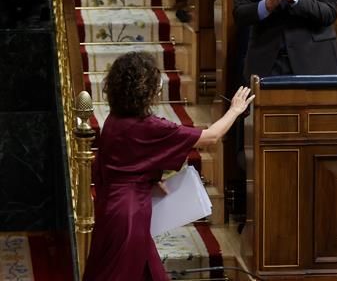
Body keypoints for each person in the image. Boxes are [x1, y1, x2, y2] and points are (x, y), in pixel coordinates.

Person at [82, 52, 254, 281]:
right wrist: (235, 109)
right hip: (130, 214)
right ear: (146, 91)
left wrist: (150, 179)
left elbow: (124, 165)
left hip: (112, 207)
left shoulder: (112, 120)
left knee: (146, 272)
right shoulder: (150, 126)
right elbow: (211, 136)